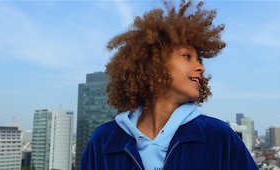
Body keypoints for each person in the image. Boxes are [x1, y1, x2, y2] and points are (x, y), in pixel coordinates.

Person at [80, 0, 258, 169]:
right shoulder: (103, 141)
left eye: (200, 60)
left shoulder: (219, 137)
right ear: (155, 63)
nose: (201, 67)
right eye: (187, 56)